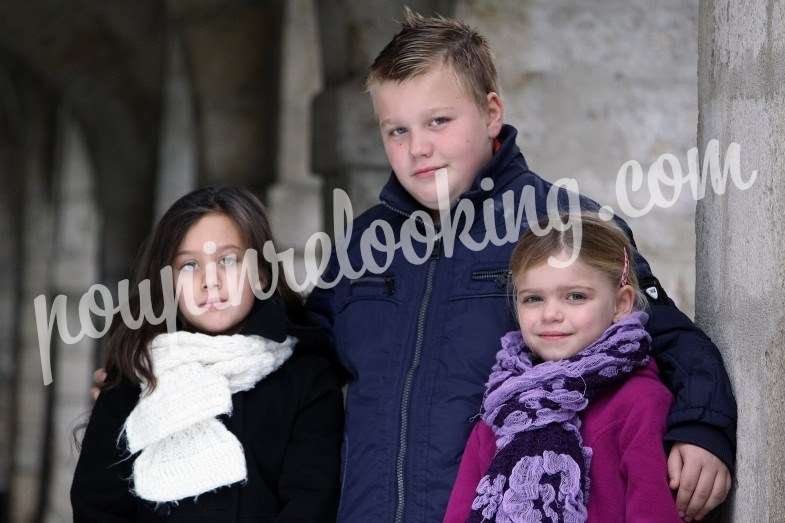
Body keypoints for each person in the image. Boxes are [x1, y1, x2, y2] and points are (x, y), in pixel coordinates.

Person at [304, 9, 735, 522]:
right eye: (396, 130)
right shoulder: (361, 244)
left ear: (490, 114)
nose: (418, 148)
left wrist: (701, 429)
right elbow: (303, 359)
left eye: (439, 121)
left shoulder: (569, 224)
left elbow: (670, 338)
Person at [72, 186, 343, 522]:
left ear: (261, 271)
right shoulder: (139, 372)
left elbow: (311, 502)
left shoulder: (307, 375)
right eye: (189, 265)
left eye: (227, 260)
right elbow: (97, 505)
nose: (209, 281)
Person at [443, 213, 681, 522]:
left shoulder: (640, 402)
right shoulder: (504, 408)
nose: (550, 314)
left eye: (575, 296)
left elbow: (653, 511)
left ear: (621, 304)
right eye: (533, 299)